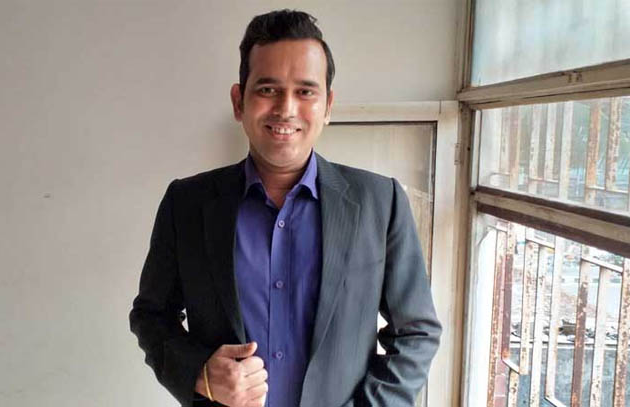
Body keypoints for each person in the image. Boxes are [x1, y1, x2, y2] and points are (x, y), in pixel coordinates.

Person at [129, 9, 441, 407]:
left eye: (305, 92)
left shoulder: (381, 202)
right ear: (239, 101)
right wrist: (200, 373)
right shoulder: (186, 204)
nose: (286, 108)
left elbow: (416, 333)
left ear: (327, 106)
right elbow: (151, 316)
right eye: (267, 89)